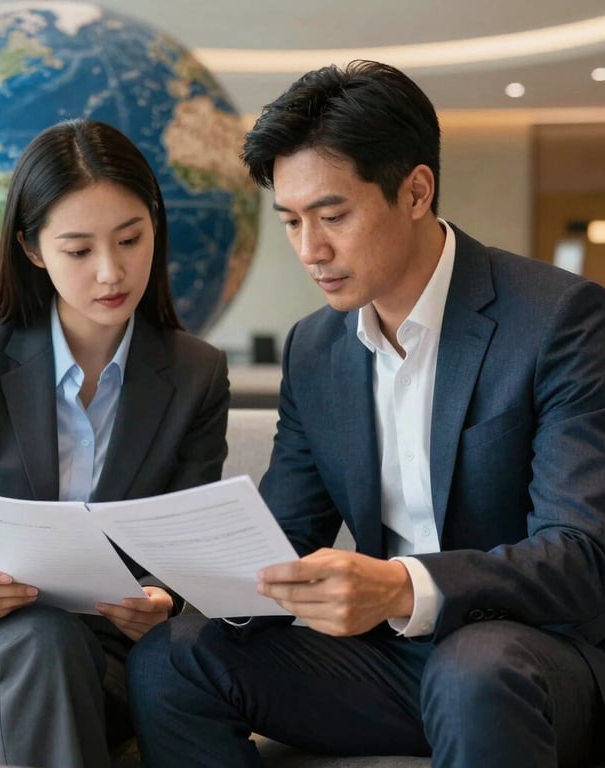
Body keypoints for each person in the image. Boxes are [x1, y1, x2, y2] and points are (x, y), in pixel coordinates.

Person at [126, 60, 605, 768]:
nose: (310, 251)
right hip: (389, 666)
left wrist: (403, 586)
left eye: (333, 215)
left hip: (534, 660)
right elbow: (286, 533)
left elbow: (581, 554)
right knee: (173, 660)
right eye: (291, 221)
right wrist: (172, 589)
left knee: (474, 671)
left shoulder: (559, 318)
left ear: (416, 191)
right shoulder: (316, 348)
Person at [0, 118, 229, 767]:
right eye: (78, 249)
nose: (111, 271)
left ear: (155, 227)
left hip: (104, 659)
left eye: (130, 239)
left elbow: (184, 549)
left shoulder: (196, 374)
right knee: (39, 637)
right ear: (33, 249)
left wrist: (162, 599)